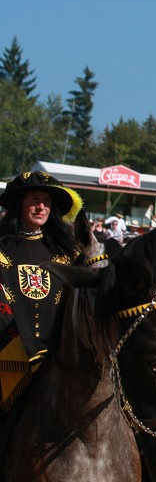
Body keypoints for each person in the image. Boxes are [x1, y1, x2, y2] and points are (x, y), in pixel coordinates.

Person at [0, 171, 82, 411]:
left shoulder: (69, 254)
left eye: (47, 201)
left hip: (58, 362)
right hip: (7, 359)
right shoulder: (2, 249)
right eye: (34, 200)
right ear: (20, 205)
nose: (41, 207)